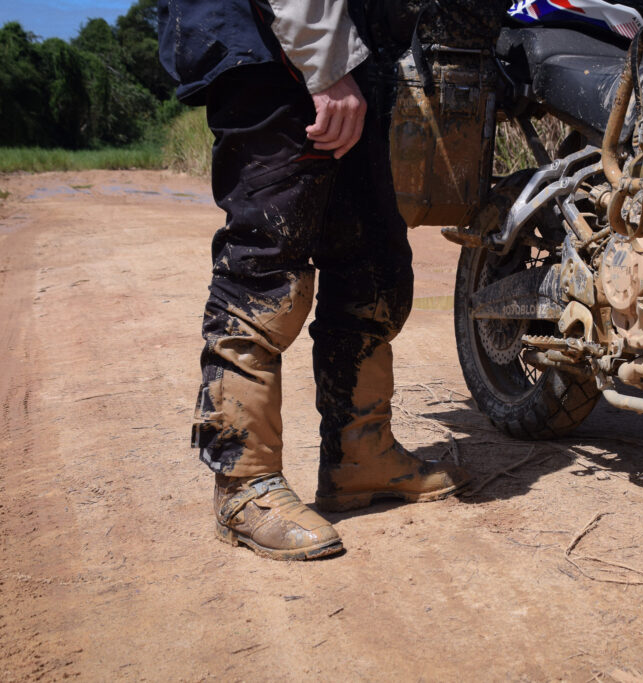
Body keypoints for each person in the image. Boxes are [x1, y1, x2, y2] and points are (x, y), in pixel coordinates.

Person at [157, 0, 470, 561]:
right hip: (271, 39)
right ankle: (243, 483)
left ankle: (360, 457)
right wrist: (325, 62)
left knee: (373, 264)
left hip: (346, 48)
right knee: (268, 269)